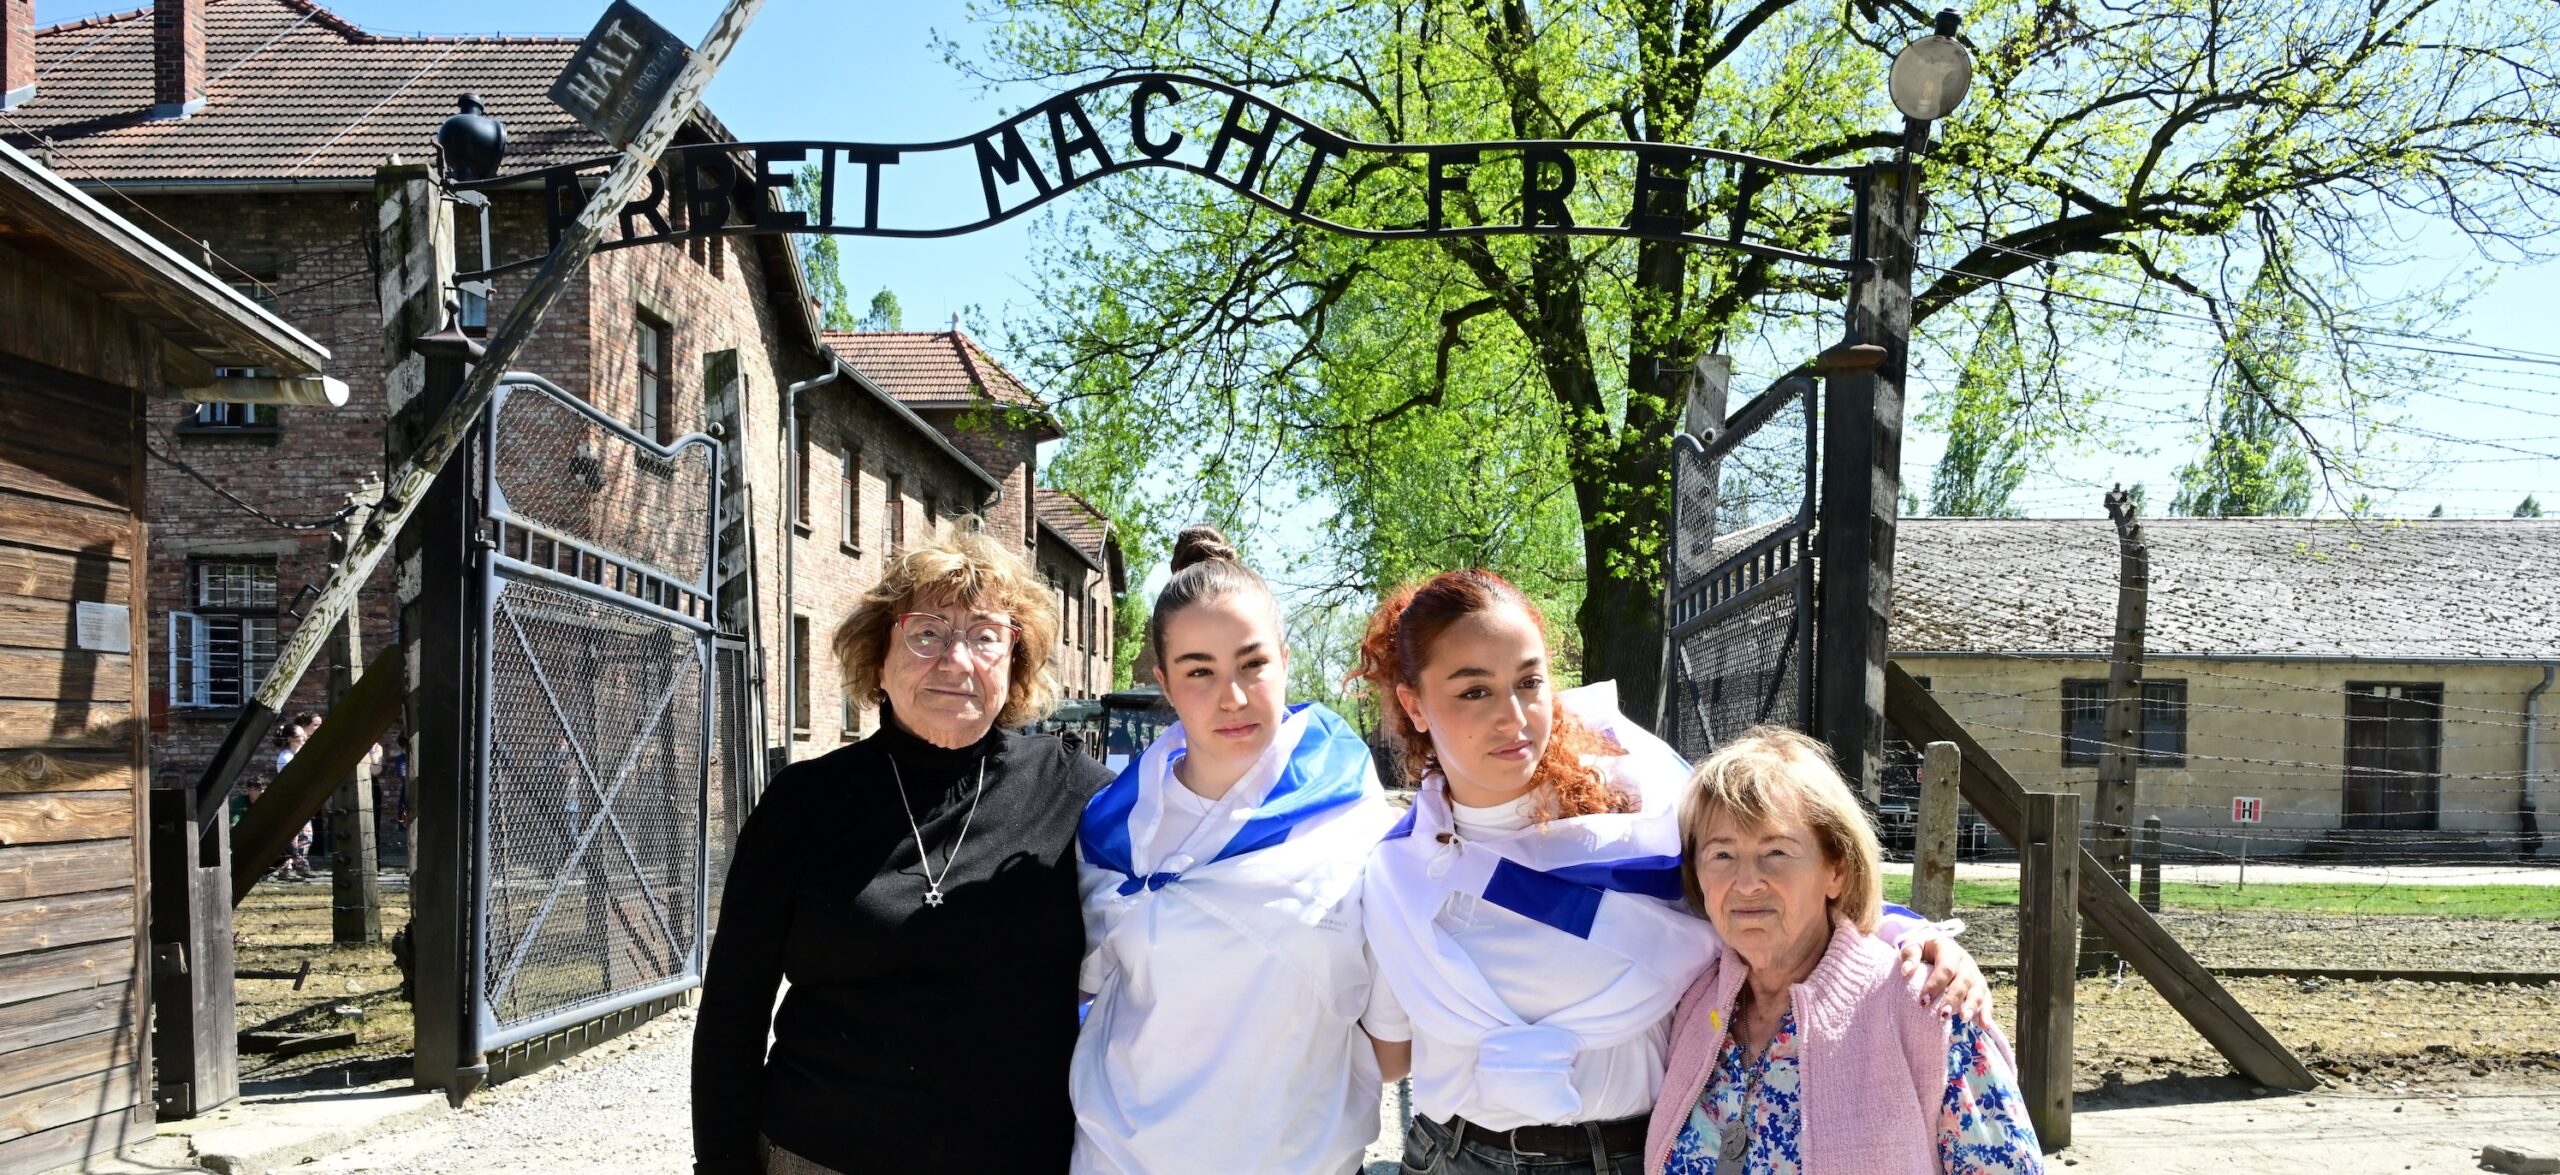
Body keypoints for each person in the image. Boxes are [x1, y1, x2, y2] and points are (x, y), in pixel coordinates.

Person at [1354, 570, 1989, 1175]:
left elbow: (1783, 885)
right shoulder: (1398, 873)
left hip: (1634, 1154)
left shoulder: (1649, 813)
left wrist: (1909, 936)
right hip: (1454, 1154)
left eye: (1529, 681)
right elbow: (1388, 1054)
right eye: (1473, 691)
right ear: (1414, 704)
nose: (1514, 717)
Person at [691, 523, 1112, 1175]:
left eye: (985, 636)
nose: (956, 659)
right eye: (926, 633)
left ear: (1015, 661)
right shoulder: (804, 805)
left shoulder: (1078, 796)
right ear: (879, 658)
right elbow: (731, 1013)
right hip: (819, 1158)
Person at [1072, 527, 1399, 1174]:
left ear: (1285, 658)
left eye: (1253, 663)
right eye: (1200, 671)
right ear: (1165, 683)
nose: (1234, 696)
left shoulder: (1350, 806)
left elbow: (1392, 1038)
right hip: (1126, 1159)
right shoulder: (1111, 832)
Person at [1649, 729, 2042, 1173]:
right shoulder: (1695, 1002)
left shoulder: (1928, 1006)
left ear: (1836, 870)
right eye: (1722, 855)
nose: (1746, 882)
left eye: (1776, 851)